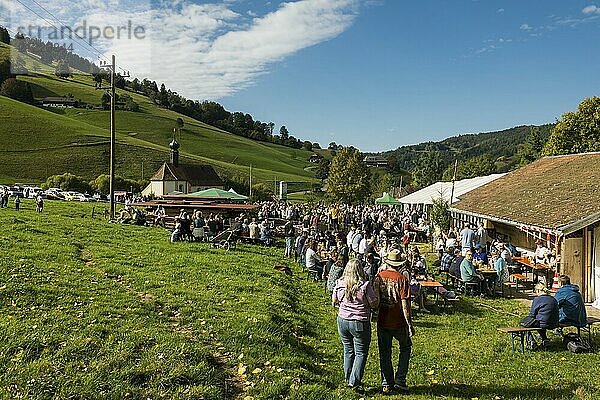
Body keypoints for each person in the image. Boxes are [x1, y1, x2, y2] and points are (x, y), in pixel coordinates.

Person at [332, 260, 379, 390]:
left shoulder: (340, 283)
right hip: (359, 321)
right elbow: (374, 303)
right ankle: (354, 381)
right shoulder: (364, 285)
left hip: (342, 320)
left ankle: (348, 378)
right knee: (361, 352)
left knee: (348, 350)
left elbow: (334, 301)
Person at [373, 249, 415, 393]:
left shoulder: (379, 277)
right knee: (405, 347)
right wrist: (410, 324)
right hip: (398, 321)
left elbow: (375, 300)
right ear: (399, 264)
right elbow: (405, 304)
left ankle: (386, 383)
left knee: (385, 352)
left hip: (383, 320)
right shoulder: (402, 279)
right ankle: (400, 379)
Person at [526, 283, 559, 350]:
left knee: (525, 325)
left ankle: (531, 342)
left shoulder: (537, 299)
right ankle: (545, 340)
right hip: (555, 323)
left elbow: (532, 315)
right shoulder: (553, 299)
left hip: (543, 323)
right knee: (542, 321)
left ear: (538, 291)